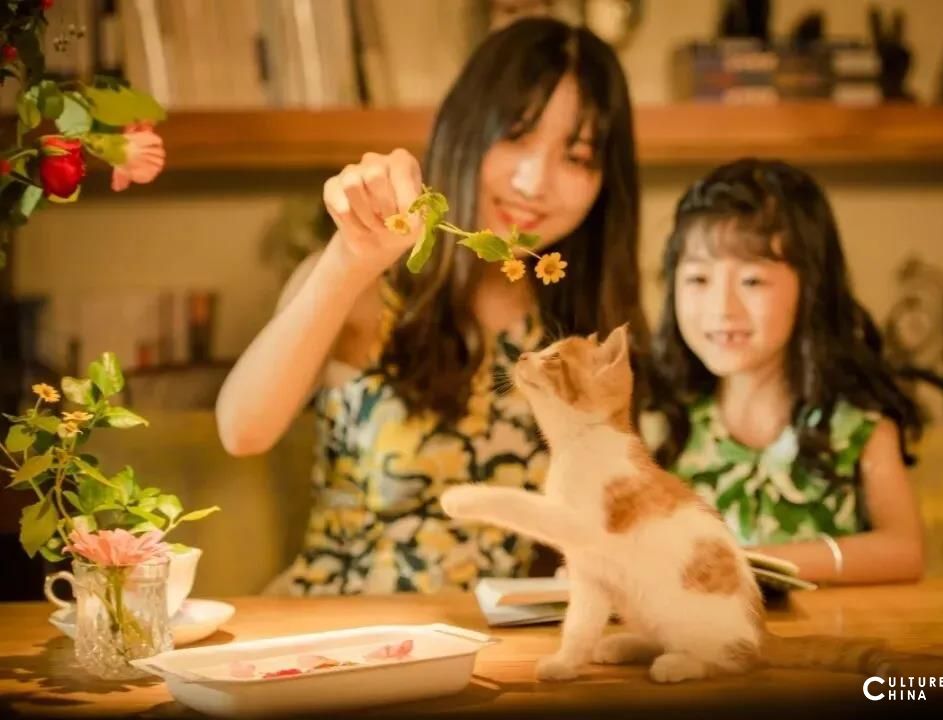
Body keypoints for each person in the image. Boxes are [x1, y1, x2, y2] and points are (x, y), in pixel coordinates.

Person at [215, 18, 650, 595]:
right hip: (341, 633)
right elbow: (242, 430)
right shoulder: (370, 281)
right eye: (516, 135)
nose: (534, 182)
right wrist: (350, 260)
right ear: (466, 128)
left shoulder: (578, 325)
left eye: (576, 157)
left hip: (507, 655)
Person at [649, 158, 924, 585]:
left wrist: (749, 563)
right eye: (699, 280)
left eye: (752, 281)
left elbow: (904, 552)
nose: (722, 308)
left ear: (811, 288)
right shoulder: (662, 424)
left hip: (833, 645)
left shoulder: (856, 428)